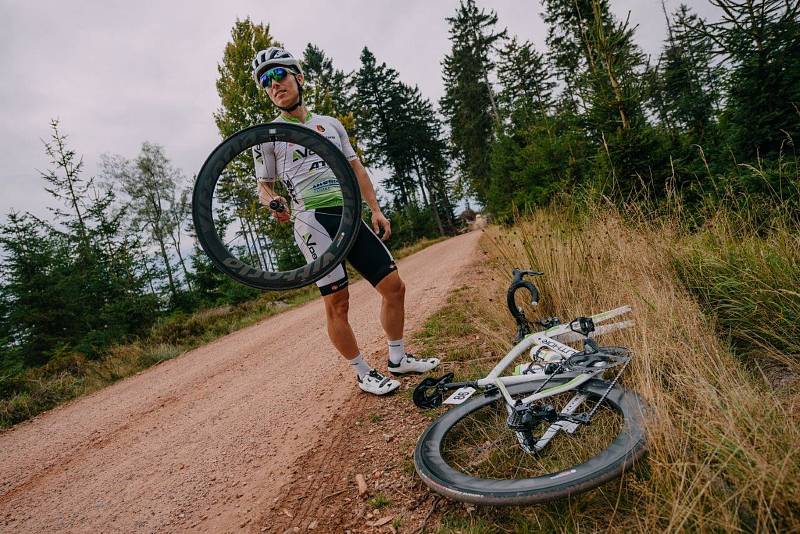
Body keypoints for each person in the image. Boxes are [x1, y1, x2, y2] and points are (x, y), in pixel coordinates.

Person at [250, 47, 440, 395]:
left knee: (394, 286)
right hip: (312, 221)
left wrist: (376, 209)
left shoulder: (330, 125)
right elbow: (264, 187)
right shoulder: (267, 137)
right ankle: (362, 372)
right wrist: (273, 202)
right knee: (338, 303)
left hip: (348, 213)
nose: (274, 85)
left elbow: (356, 168)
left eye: (279, 75)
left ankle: (397, 358)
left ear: (299, 78)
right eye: (266, 81)